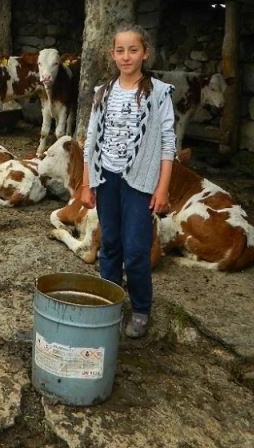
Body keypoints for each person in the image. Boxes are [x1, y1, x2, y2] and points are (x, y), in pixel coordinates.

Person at [80, 24, 176, 338]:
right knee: (110, 245)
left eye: (133, 50)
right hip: (107, 178)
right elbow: (92, 137)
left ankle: (140, 308)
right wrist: (87, 182)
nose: (126, 57)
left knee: (136, 249)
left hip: (139, 181)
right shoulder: (103, 92)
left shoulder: (159, 93)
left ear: (145, 53)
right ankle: (108, 302)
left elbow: (167, 143)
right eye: (120, 50)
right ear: (112, 54)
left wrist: (162, 188)